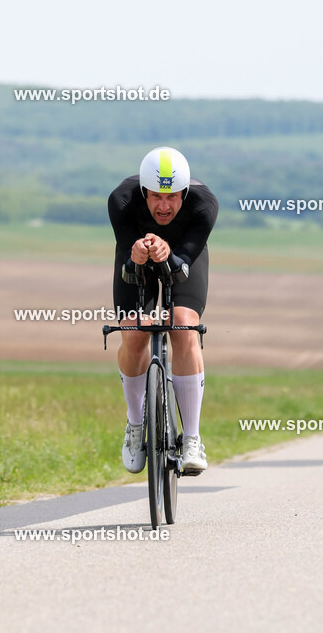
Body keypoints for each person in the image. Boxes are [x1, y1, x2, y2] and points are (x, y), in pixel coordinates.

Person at [107, 147, 218, 474]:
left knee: (182, 324)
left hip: (183, 260)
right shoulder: (122, 200)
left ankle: (192, 439)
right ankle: (136, 423)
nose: (164, 206)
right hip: (136, 259)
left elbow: (185, 261)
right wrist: (135, 255)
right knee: (134, 330)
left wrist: (170, 254)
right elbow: (128, 259)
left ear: (184, 193)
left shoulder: (204, 205)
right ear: (143, 192)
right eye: (155, 197)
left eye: (172, 197)